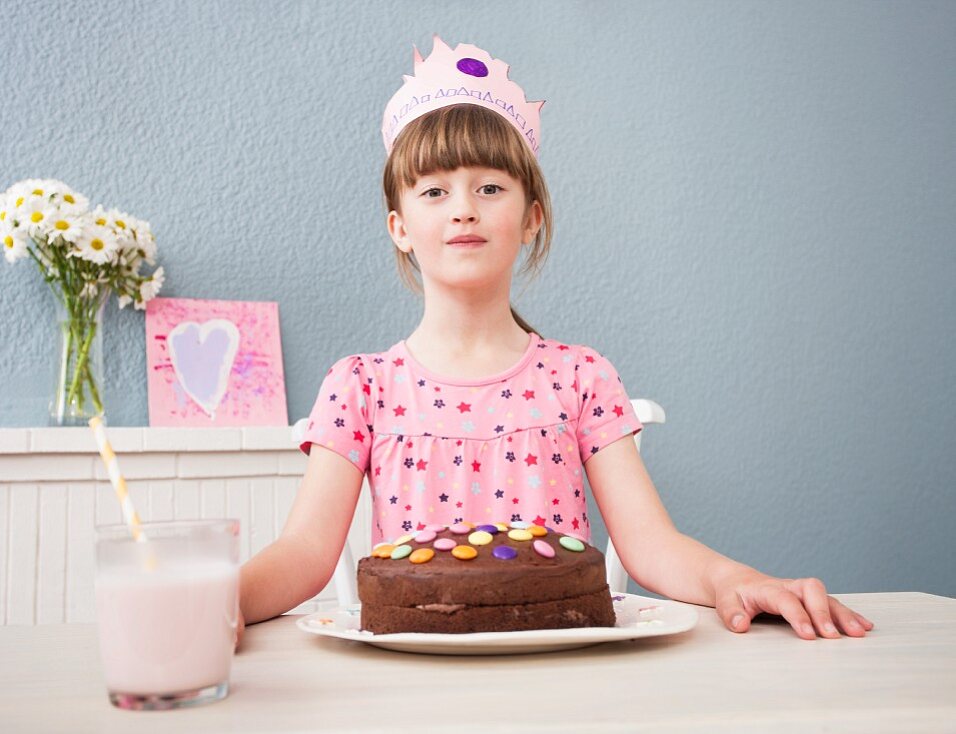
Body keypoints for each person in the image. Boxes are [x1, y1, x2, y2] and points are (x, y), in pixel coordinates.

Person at [237, 35, 873, 645]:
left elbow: (650, 544)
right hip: (414, 683)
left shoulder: (581, 378)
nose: (463, 208)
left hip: (567, 676)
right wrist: (221, 598)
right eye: (435, 191)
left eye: (490, 188)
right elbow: (303, 554)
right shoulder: (361, 386)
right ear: (400, 227)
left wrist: (740, 579)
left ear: (531, 218)